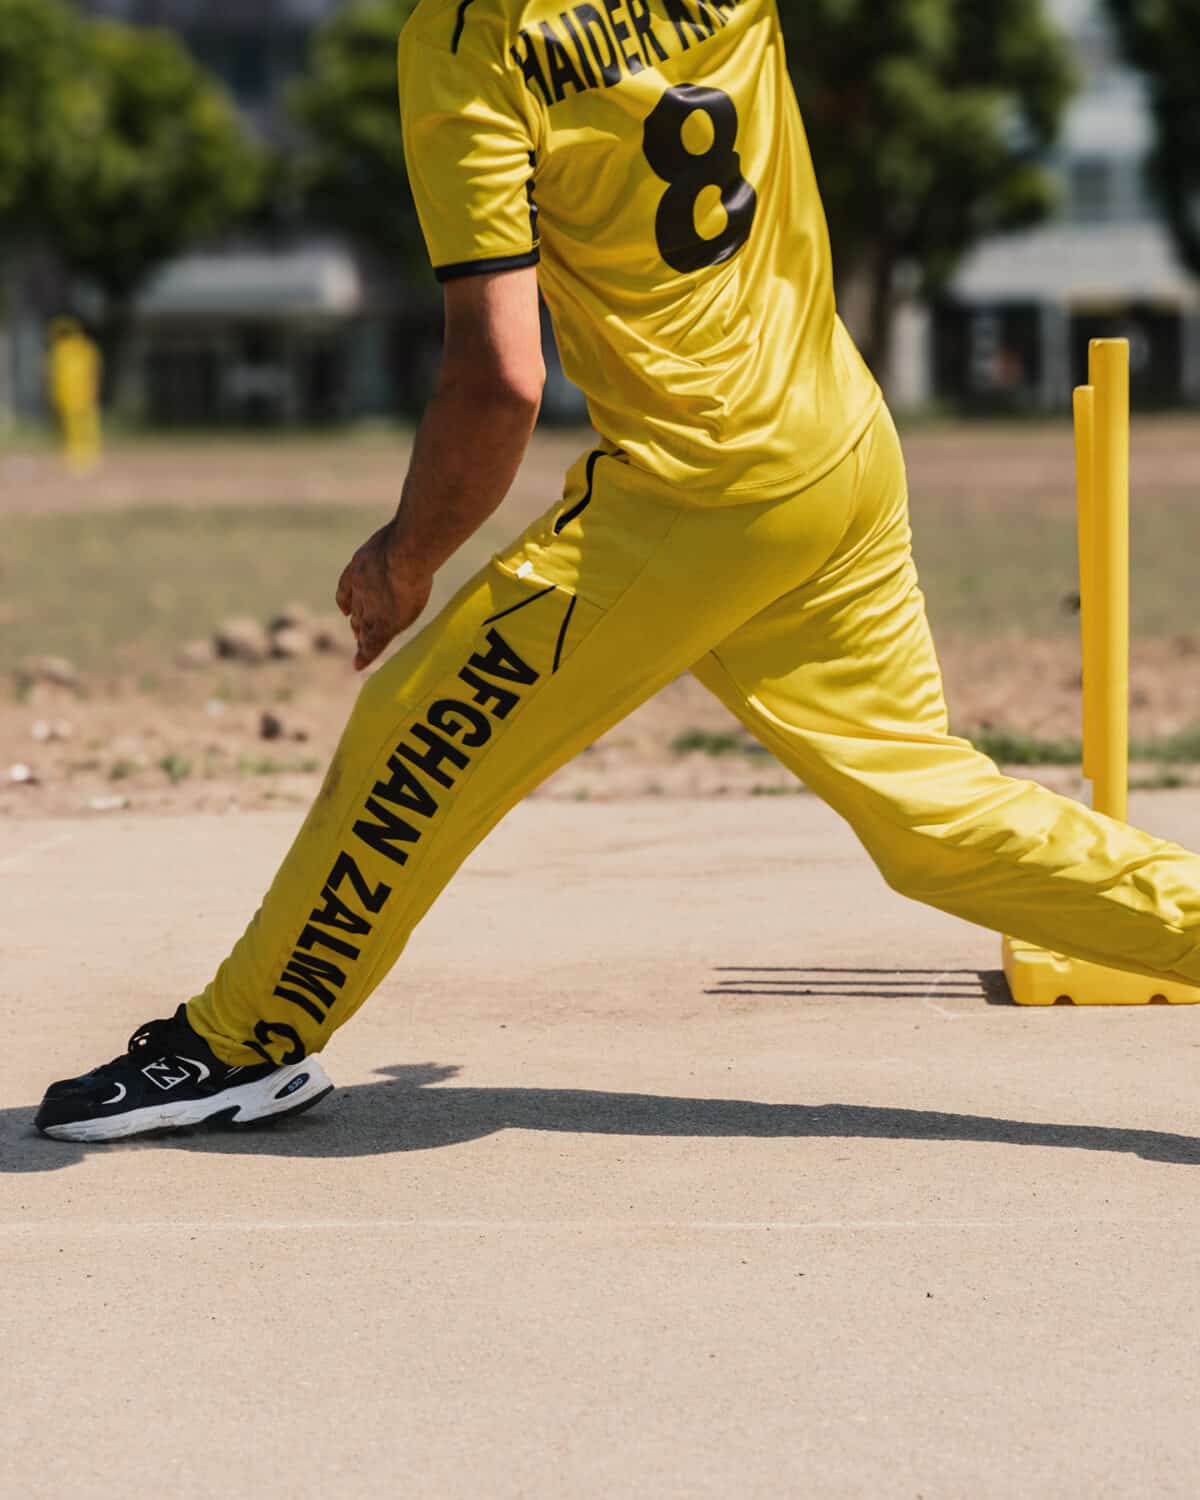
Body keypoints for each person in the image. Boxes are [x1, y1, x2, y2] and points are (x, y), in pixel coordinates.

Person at [36, 0, 1200, 1141]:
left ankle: (239, 1041)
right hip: (836, 436)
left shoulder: (466, 44)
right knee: (933, 823)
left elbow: (498, 383)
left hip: (699, 491)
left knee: (410, 734)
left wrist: (405, 556)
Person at [47, 317, 103, 474]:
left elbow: (53, 375)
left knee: (76, 426)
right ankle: (84, 455)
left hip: (72, 394)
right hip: (78, 393)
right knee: (84, 426)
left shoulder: (60, 351)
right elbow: (95, 371)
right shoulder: (85, 347)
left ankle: (80, 455)